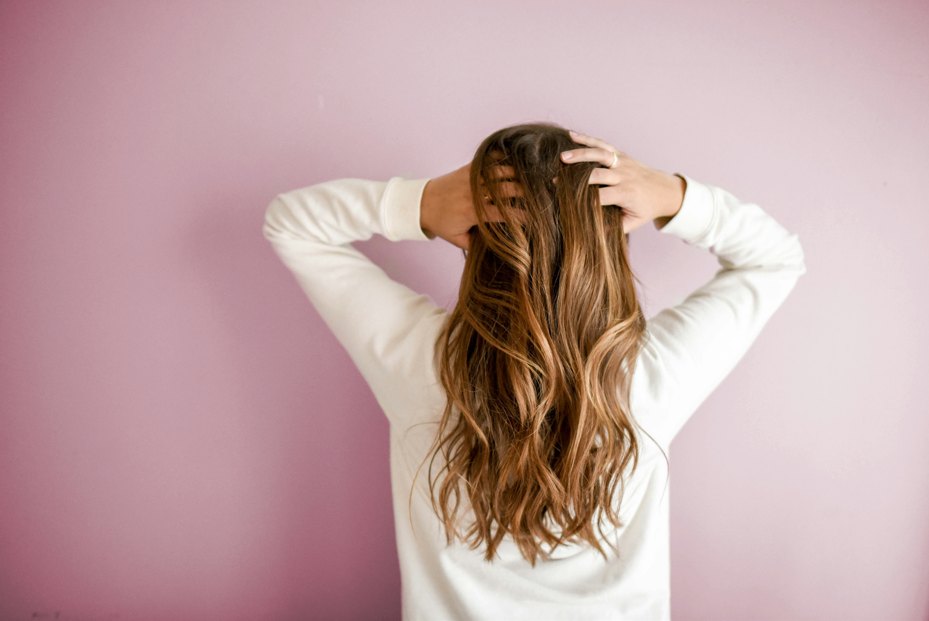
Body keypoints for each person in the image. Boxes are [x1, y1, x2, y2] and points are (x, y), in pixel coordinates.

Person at [263, 123, 806, 620]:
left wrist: (421, 203)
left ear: (475, 237)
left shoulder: (423, 364)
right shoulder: (649, 378)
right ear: (611, 244)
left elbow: (291, 224)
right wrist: (672, 196)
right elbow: (776, 258)